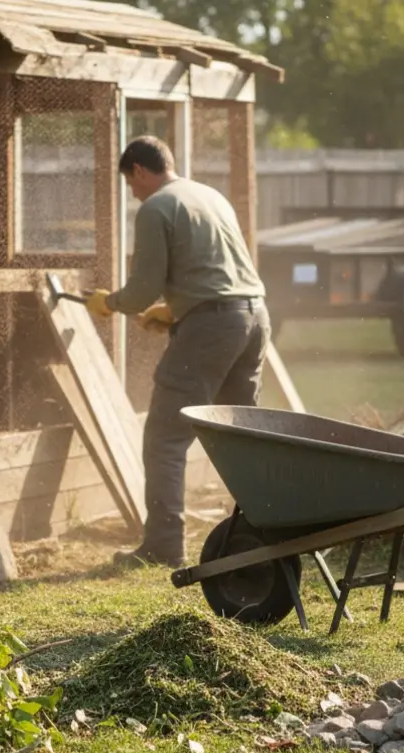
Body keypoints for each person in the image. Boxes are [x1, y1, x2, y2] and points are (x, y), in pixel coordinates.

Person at [85, 136, 269, 569]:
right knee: (241, 436)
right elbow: (220, 274)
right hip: (254, 317)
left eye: (131, 185)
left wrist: (109, 303)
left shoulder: (156, 207)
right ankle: (259, 532)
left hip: (213, 325)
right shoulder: (209, 195)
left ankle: (164, 547)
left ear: (139, 171)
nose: (133, 194)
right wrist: (174, 311)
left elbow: (142, 288)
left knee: (166, 437)